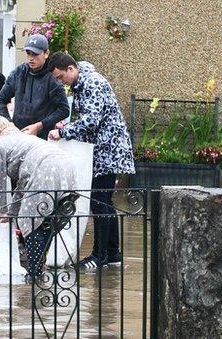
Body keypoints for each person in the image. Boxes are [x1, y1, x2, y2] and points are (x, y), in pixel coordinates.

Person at [47, 52, 135, 270]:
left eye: (60, 77)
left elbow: (91, 121)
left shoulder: (92, 82)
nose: (61, 82)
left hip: (108, 149)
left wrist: (64, 132)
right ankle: (113, 253)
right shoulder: (82, 81)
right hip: (104, 148)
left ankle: (100, 256)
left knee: (99, 201)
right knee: (104, 200)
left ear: (70, 68)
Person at [0, 115, 77, 279]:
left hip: (45, 169)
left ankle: (35, 272)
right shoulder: (23, 139)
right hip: (67, 166)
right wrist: (11, 213)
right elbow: (23, 184)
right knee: (48, 223)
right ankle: (38, 268)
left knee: (29, 220)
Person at [0, 34, 69, 140]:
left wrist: (39, 125)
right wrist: (9, 125)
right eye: (28, 54)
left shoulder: (52, 77)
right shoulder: (18, 72)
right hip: (17, 135)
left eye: (35, 54)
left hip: (42, 139)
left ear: (46, 54)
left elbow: (64, 110)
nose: (30, 58)